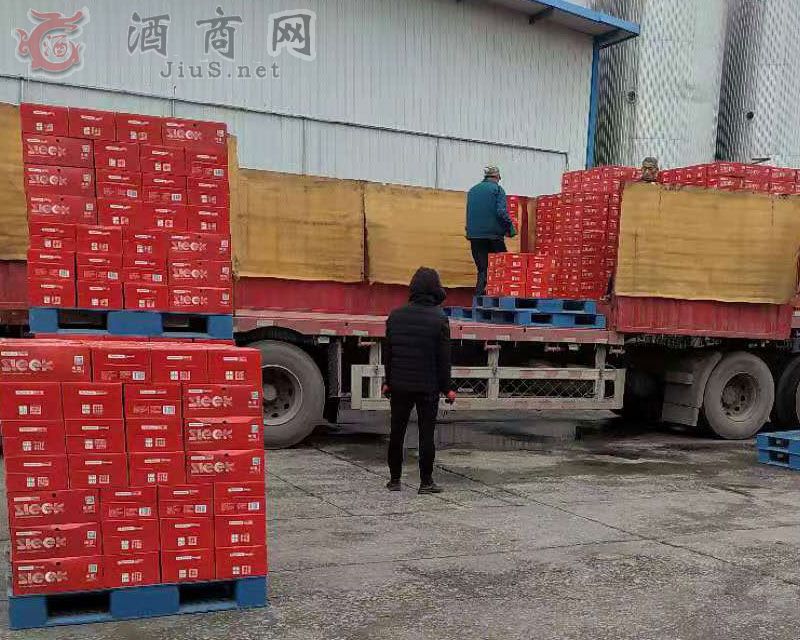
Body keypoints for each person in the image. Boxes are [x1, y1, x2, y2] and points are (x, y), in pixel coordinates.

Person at [383, 267, 455, 495]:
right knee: (426, 434)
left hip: (399, 385)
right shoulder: (439, 318)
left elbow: (389, 353)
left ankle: (394, 480)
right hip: (428, 386)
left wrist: (388, 381)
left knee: (397, 431)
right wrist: (447, 388)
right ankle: (426, 482)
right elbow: (443, 358)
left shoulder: (395, 316)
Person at [466, 166, 516, 296]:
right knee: (502, 266)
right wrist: (510, 228)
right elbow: (501, 212)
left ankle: (479, 297)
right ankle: (502, 296)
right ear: (497, 177)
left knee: (482, 269)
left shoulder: (472, 190)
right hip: (493, 235)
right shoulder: (498, 190)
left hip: (474, 236)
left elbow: (470, 213)